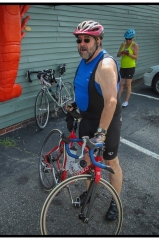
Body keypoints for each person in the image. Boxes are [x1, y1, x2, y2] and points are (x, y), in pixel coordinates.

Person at [66, 20, 123, 221]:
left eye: (87, 40)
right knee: (88, 160)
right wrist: (74, 104)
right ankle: (89, 195)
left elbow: (111, 101)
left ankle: (115, 202)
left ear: (98, 41)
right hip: (88, 118)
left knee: (110, 161)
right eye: (79, 40)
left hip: (106, 122)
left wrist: (101, 133)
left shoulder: (105, 64)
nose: (82, 44)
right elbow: (85, 87)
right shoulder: (85, 60)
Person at [117, 29, 139, 108]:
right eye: (126, 39)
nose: (128, 40)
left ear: (133, 38)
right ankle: (118, 100)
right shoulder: (123, 44)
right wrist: (122, 52)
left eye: (129, 39)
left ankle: (126, 101)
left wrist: (129, 54)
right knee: (120, 84)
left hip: (130, 67)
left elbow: (136, 57)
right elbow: (118, 55)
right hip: (123, 66)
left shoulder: (134, 45)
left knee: (128, 84)